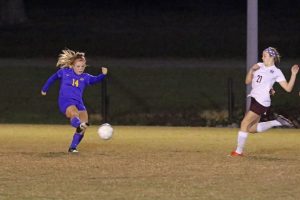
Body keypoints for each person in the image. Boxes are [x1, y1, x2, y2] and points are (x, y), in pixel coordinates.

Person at [231, 47, 299, 156]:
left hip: (261, 101)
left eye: (265, 55)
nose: (262, 57)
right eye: (262, 55)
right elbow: (247, 81)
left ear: (272, 57)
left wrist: (293, 74)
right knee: (251, 129)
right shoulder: (259, 65)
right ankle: (277, 122)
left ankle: (238, 152)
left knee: (244, 123)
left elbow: (288, 88)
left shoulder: (276, 72)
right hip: (254, 98)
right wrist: (251, 70)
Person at [41, 49, 108, 153]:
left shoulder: (85, 77)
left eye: (82, 66)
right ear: (72, 65)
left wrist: (103, 75)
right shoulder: (64, 72)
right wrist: (44, 89)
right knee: (74, 113)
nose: (80, 68)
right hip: (65, 101)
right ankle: (78, 125)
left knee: (84, 126)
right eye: (78, 66)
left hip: (79, 103)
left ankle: (72, 148)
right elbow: (52, 78)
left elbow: (95, 80)